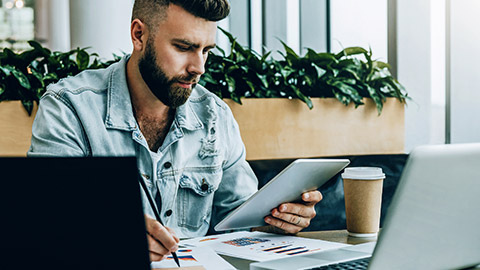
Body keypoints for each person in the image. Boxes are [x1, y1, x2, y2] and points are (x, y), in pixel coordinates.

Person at [28, 0, 323, 262]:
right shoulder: (69, 108)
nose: (199, 67)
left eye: (206, 50)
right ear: (138, 35)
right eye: (184, 47)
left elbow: (239, 220)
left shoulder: (215, 116)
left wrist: (277, 219)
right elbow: (44, 223)